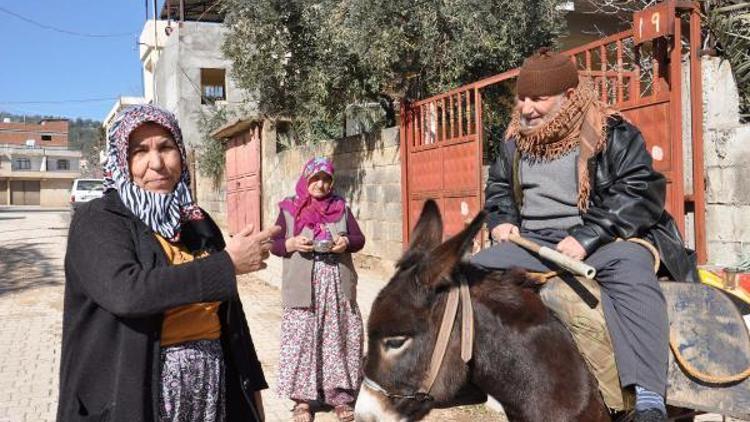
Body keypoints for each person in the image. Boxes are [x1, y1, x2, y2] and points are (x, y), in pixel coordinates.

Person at [472, 49, 698, 422]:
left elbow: (640, 191)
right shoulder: (513, 139)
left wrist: (589, 236)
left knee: (633, 276)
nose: (526, 108)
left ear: (569, 96)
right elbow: (498, 186)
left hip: (605, 239)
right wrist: (501, 219)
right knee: (468, 274)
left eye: (538, 99)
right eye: (522, 97)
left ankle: (648, 396)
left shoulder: (612, 133)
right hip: (533, 241)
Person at [57, 104, 279, 422]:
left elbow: (233, 319)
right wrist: (226, 265)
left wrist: (253, 391)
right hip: (135, 394)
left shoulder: (197, 222)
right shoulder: (98, 220)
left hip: (211, 385)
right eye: (140, 151)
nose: (157, 163)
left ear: (181, 154)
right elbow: (127, 292)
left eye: (166, 147)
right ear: (121, 160)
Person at [270, 157, 365, 422]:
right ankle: (302, 401)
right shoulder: (289, 209)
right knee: (301, 341)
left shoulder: (341, 207)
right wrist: (290, 243)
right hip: (303, 289)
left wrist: (346, 241)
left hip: (336, 287)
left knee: (339, 339)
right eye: (315, 179)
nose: (321, 185)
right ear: (306, 179)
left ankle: (340, 398)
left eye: (326, 179)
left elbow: (360, 239)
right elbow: (274, 244)